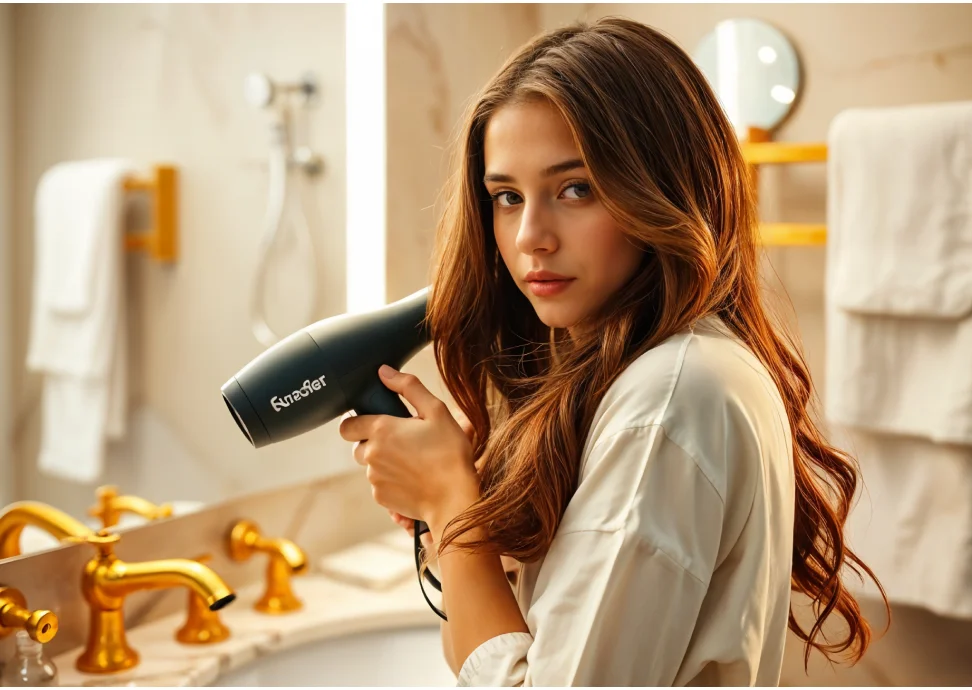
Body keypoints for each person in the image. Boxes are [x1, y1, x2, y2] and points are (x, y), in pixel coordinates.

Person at [339, 16, 886, 686]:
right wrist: (452, 513)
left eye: (576, 189)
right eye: (507, 197)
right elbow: (496, 650)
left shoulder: (670, 397)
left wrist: (454, 505)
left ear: (663, 188)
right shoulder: (653, 376)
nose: (530, 237)